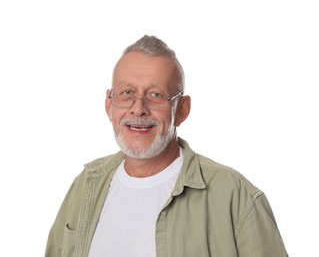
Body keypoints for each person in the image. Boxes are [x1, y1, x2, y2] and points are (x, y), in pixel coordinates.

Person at [45, 35, 288, 257]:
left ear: (182, 110)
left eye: (156, 95)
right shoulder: (86, 184)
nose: (138, 108)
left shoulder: (235, 197)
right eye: (127, 92)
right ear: (109, 105)